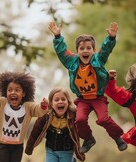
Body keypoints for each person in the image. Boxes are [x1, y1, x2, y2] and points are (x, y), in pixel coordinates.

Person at [49, 21, 127, 154]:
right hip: (83, 99)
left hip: (98, 98)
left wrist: (111, 38)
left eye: (88, 48)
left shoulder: (98, 59)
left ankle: (117, 137)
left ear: (93, 51)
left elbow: (105, 50)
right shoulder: (72, 62)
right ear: (77, 51)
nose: (85, 51)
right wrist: (57, 37)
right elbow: (62, 52)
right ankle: (88, 138)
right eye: (82, 48)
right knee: (79, 120)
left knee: (103, 119)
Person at [25, 87, 85, 162]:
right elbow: (36, 130)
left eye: (63, 99)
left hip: (67, 151)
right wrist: (29, 147)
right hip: (51, 149)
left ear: (68, 102)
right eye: (56, 100)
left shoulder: (74, 115)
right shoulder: (46, 115)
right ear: (51, 104)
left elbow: (83, 123)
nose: (60, 102)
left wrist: (87, 140)